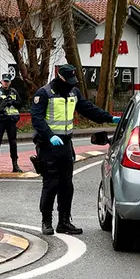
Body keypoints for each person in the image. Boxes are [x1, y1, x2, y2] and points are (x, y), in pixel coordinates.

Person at [31, 64, 120, 235]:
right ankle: (46, 221)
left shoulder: (73, 92)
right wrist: (49, 135)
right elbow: (37, 119)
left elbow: (88, 110)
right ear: (60, 77)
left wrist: (109, 118)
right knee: (51, 185)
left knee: (67, 185)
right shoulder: (44, 93)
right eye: (68, 80)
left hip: (66, 145)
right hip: (48, 145)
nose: (71, 84)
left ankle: (64, 222)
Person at [0, 74, 22, 173]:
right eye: (4, 81)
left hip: (11, 120)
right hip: (0, 120)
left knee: (13, 142)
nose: (6, 83)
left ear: (10, 82)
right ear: (1, 81)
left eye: (7, 81)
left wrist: (12, 102)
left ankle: (15, 165)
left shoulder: (14, 92)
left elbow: (20, 104)